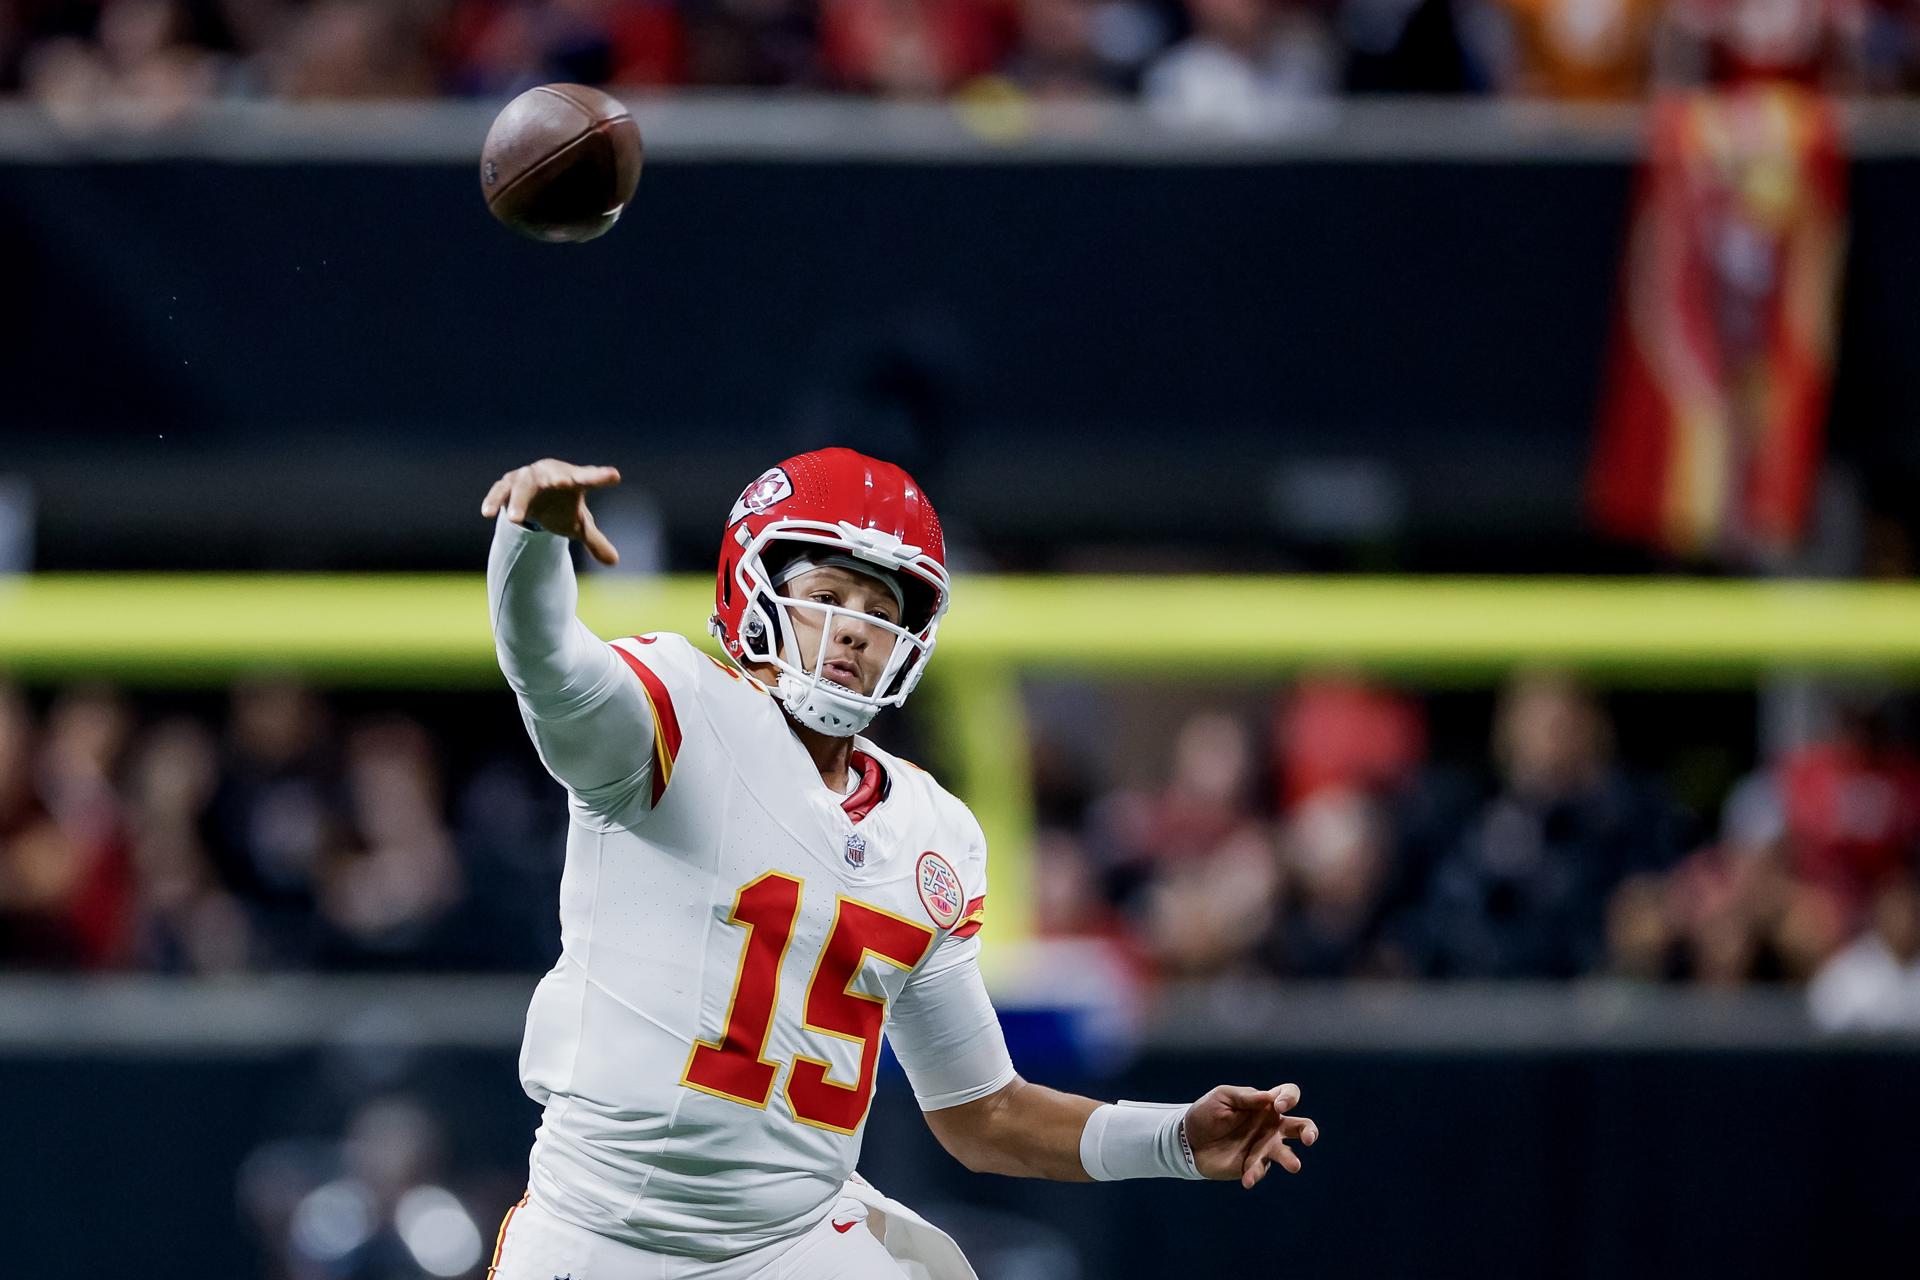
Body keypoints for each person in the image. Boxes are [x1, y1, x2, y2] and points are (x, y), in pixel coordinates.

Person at [480, 448, 1320, 1279]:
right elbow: (550, 667)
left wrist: (1174, 1140)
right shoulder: (680, 713)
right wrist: (530, 541)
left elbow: (984, 1114)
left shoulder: (931, 833)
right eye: (825, 596)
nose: (852, 627)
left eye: (879, 609)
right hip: (599, 1237)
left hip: (785, 1247)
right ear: (753, 590)